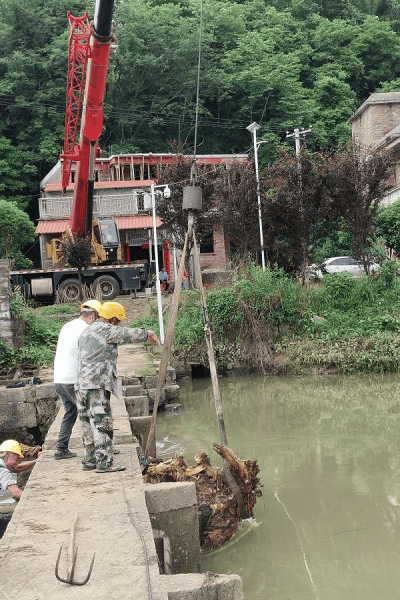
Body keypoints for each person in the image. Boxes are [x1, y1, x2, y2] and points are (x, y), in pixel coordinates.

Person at [76, 301, 160, 473]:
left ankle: (90, 459)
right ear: (113, 319)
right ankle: (104, 463)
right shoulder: (105, 328)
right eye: (119, 321)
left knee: (86, 422)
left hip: (81, 385)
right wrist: (148, 333)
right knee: (102, 423)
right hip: (96, 383)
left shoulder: (87, 330)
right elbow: (127, 334)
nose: (119, 324)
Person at [53, 300, 102, 460]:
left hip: (59, 379)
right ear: (92, 316)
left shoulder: (67, 326)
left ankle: (61, 449)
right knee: (91, 413)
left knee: (71, 412)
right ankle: (100, 449)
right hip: (73, 380)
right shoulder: (85, 329)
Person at [0, 440, 36, 537]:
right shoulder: (3, 471)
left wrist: (35, 461)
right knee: (19, 506)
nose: (17, 462)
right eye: (16, 459)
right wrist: (34, 499)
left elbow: (16, 468)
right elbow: (16, 493)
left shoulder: (3, 463)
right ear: (7, 456)